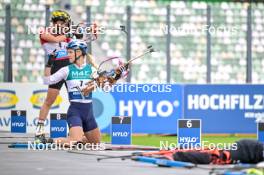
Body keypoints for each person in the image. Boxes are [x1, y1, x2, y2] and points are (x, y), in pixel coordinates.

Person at [35, 10, 98, 143]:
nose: (64, 25)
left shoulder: (67, 35)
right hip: (56, 66)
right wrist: (70, 31)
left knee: (76, 100)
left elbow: (81, 43)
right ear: (56, 22)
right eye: (63, 23)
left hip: (70, 67)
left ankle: (76, 134)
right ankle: (39, 131)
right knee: (49, 101)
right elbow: (55, 39)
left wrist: (91, 33)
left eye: (66, 24)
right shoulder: (44, 31)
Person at [42, 40, 101, 145]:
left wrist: (117, 75)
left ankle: (77, 138)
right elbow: (47, 80)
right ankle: (51, 141)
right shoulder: (66, 70)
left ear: (78, 52)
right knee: (74, 141)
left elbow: (105, 85)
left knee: (96, 144)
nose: (67, 55)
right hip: (75, 112)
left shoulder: (91, 70)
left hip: (89, 114)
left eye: (70, 52)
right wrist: (49, 64)